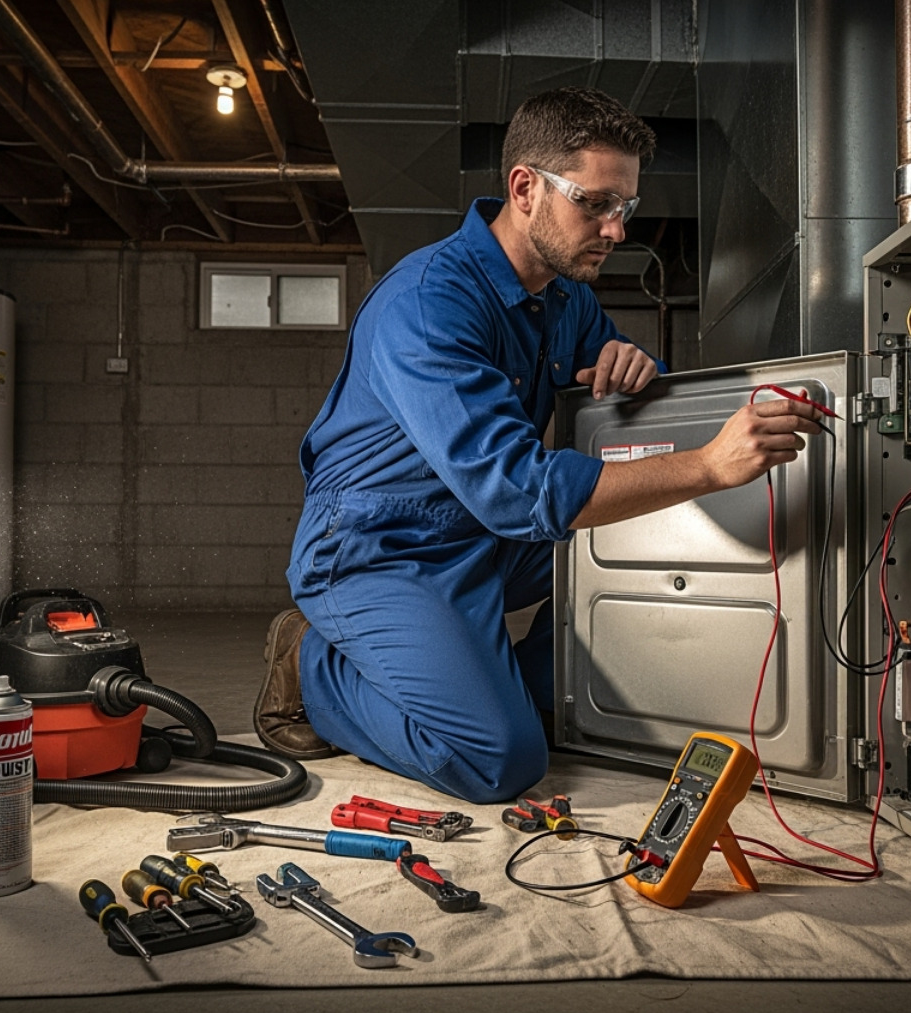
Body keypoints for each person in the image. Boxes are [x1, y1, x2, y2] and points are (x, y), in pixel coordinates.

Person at [255, 86, 823, 804]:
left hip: (483, 536)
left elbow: (621, 393)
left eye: (624, 208)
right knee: (499, 760)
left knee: (640, 541)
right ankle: (310, 666)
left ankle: (515, 694)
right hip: (381, 548)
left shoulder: (567, 299)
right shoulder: (427, 303)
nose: (615, 230)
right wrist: (709, 465)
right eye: (595, 203)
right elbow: (518, 490)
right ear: (525, 188)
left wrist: (630, 361)